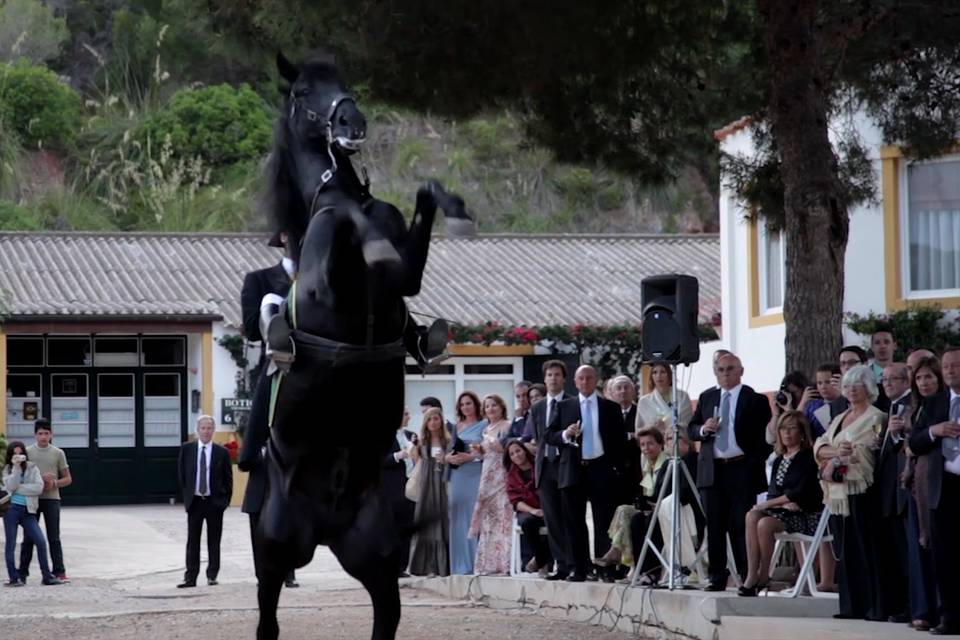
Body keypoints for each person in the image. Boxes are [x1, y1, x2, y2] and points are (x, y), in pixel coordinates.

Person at [239, 233, 298, 588]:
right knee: (269, 375)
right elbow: (250, 328)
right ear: (285, 238)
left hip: (324, 359)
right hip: (283, 359)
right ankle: (252, 445)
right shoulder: (260, 279)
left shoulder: (329, 274)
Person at [688, 352, 772, 591]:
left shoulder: (754, 399)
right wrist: (704, 429)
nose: (726, 373)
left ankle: (748, 576)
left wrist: (753, 462)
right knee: (714, 526)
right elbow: (691, 428)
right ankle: (717, 576)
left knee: (739, 524)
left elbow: (762, 438)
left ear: (741, 371)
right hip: (713, 469)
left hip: (741, 468)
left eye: (731, 369)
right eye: (721, 369)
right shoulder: (707, 397)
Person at [814, 364, 885, 620]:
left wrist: (835, 452)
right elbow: (820, 444)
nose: (852, 390)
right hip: (836, 492)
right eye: (847, 386)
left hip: (860, 489)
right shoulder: (840, 416)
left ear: (868, 388)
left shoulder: (876, 416)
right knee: (844, 550)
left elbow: (864, 448)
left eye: (857, 385)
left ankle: (871, 606)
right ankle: (849, 605)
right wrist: (835, 453)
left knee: (864, 548)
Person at [549, 364, 628, 582]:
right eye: (581, 378)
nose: (585, 382)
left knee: (604, 521)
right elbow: (549, 434)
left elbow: (620, 441)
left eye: (589, 378)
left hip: (601, 468)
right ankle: (578, 568)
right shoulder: (564, 406)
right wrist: (565, 434)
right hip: (573, 469)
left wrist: (616, 469)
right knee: (574, 521)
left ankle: (605, 567)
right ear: (575, 382)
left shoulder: (610, 407)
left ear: (596, 381)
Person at [740, 411, 822, 597]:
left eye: (792, 428)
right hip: (782, 510)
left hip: (804, 513)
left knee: (765, 523)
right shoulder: (778, 460)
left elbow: (798, 493)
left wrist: (772, 504)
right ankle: (752, 574)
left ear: (802, 433)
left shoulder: (808, 457)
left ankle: (764, 573)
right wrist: (775, 504)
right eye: (783, 429)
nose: (786, 433)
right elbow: (774, 491)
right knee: (751, 516)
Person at [909, 347, 960, 635]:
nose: (951, 370)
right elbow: (914, 442)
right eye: (948, 366)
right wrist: (934, 431)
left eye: (957, 365)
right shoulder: (934, 403)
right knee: (945, 556)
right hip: (945, 487)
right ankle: (950, 617)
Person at [902, 355, 944, 631]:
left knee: (938, 549)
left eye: (929, 376)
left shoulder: (945, 404)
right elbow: (912, 443)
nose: (924, 382)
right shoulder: (916, 408)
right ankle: (923, 609)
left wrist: (920, 440)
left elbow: (918, 442)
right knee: (920, 550)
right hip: (917, 487)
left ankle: (940, 609)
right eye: (919, 378)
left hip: (938, 484)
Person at [596, 427, 667, 583]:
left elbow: (665, 494)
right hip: (650, 509)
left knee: (632, 516)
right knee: (625, 512)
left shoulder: (667, 463)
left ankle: (619, 553)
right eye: (642, 445)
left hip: (665, 511)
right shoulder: (647, 465)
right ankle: (629, 562)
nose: (646, 448)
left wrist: (649, 504)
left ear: (660, 444)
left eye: (650, 444)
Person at [522, 360, 571, 580]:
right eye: (549, 375)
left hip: (566, 465)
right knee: (552, 519)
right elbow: (536, 438)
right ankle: (560, 565)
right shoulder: (537, 408)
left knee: (570, 517)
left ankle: (577, 563)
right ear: (545, 379)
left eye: (557, 375)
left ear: (564, 378)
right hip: (545, 467)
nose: (553, 378)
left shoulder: (572, 403)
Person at [874, 362, 912, 623]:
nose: (887, 383)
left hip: (904, 489)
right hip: (888, 492)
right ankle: (899, 605)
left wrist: (897, 438)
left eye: (893, 379)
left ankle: (911, 606)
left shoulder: (910, 405)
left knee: (907, 552)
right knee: (896, 553)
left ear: (906, 380)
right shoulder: (890, 407)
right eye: (884, 379)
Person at [177, 415, 232, 588]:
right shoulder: (187, 449)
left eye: (209, 428)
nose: (206, 431)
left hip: (214, 502)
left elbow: (227, 479)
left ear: (213, 431)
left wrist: (224, 502)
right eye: (203, 428)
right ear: (197, 430)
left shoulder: (221, 452)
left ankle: (212, 574)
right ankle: (190, 576)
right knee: (193, 540)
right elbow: (182, 474)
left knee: (214, 540)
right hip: (195, 502)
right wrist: (187, 498)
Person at [17, 418, 71, 584]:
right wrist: (39, 479)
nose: (43, 437)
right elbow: (20, 478)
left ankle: (59, 571)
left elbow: (68, 478)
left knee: (54, 536)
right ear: (35, 434)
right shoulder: (27, 452)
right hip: (32, 500)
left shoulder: (58, 453)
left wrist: (54, 483)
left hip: (52, 499)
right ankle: (22, 574)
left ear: (51, 434)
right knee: (29, 537)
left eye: (46, 433)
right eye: (40, 433)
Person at [2, 442, 62, 586]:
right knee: (10, 544)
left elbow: (38, 488)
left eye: (20, 453)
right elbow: (10, 486)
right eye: (15, 454)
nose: (18, 457)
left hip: (28, 510)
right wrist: (16, 468)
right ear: (11, 455)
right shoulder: (7, 469)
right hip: (11, 509)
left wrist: (18, 489)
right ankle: (14, 577)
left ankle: (47, 575)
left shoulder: (32, 467)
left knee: (40, 541)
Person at [468, 394, 514, 575]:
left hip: (501, 475)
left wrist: (496, 445)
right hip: (486, 474)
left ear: (501, 407)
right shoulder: (486, 428)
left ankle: (504, 563)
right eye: (487, 406)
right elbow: (486, 454)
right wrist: (479, 450)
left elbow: (507, 450)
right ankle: (487, 564)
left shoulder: (507, 426)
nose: (491, 409)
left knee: (502, 516)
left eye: (494, 405)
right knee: (487, 519)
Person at [445, 390, 486, 575]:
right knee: (457, 517)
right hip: (458, 476)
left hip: (476, 473)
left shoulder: (485, 424)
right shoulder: (456, 426)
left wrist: (470, 457)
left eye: (468, 403)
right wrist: (448, 458)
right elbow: (449, 450)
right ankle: (459, 564)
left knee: (474, 515)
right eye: (462, 404)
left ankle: (477, 563)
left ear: (476, 404)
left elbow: (488, 451)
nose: (465, 407)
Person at [408, 407, 451, 577]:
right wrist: (413, 445)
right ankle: (426, 566)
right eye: (430, 419)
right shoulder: (421, 441)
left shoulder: (448, 441)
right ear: (426, 422)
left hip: (441, 484)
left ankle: (441, 566)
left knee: (442, 522)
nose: (433, 422)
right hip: (426, 484)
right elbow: (414, 459)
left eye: (436, 418)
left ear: (441, 421)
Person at [504, 439, 551, 576]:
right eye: (512, 454)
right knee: (527, 523)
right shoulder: (511, 476)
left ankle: (538, 559)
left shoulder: (539, 466)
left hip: (547, 507)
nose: (516, 455)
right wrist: (533, 511)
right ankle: (542, 563)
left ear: (524, 450)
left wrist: (545, 509)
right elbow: (515, 501)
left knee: (558, 524)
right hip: (528, 510)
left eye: (518, 451)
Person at [380, 407, 417, 578]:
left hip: (411, 486)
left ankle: (402, 566)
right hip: (392, 488)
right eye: (406, 414)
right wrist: (398, 456)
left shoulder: (411, 435)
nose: (409, 416)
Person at [635, 363, 693, 434]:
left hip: (679, 441)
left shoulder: (683, 396)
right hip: (655, 443)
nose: (658, 376)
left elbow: (689, 424)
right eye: (655, 372)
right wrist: (653, 429)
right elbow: (639, 430)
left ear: (669, 374)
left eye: (662, 372)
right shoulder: (644, 401)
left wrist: (667, 427)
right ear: (651, 376)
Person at [765, 371, 811, 445]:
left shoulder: (810, 408)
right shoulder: (782, 410)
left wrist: (790, 409)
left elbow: (800, 432)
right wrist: (776, 414)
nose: (791, 396)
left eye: (795, 392)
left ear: (804, 391)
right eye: (788, 392)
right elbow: (770, 439)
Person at [802, 363, 842, 437]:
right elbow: (797, 424)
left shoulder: (846, 403)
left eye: (828, 382)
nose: (823, 387)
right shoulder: (812, 406)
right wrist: (803, 402)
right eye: (819, 383)